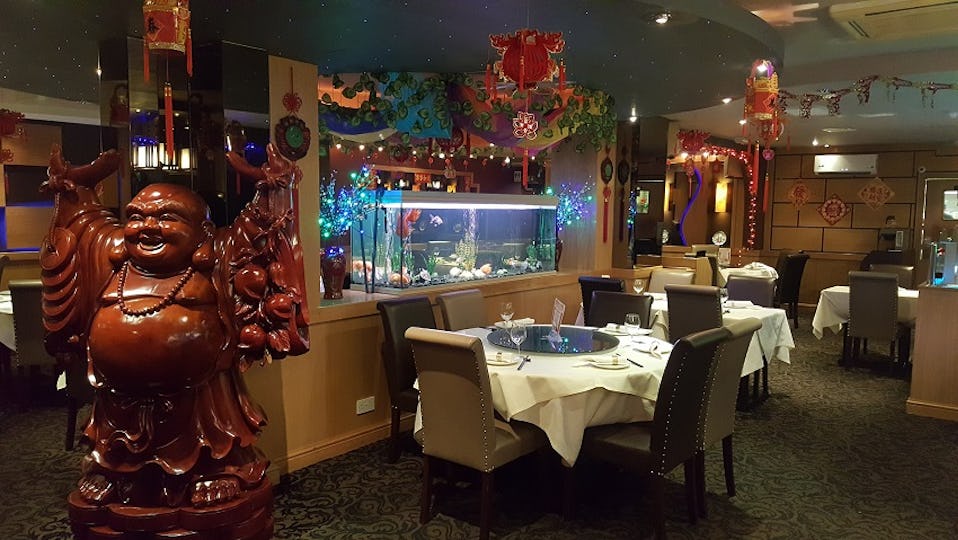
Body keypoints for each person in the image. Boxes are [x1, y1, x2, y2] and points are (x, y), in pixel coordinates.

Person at [41, 143, 309, 510]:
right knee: (118, 438)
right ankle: (115, 472)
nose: (148, 227)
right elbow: (79, 228)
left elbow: (260, 234)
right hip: (119, 399)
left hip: (199, 400)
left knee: (208, 438)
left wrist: (273, 187)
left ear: (203, 232)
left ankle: (215, 470)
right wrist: (74, 188)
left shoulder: (217, 256)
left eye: (167, 218)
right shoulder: (109, 253)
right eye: (136, 217)